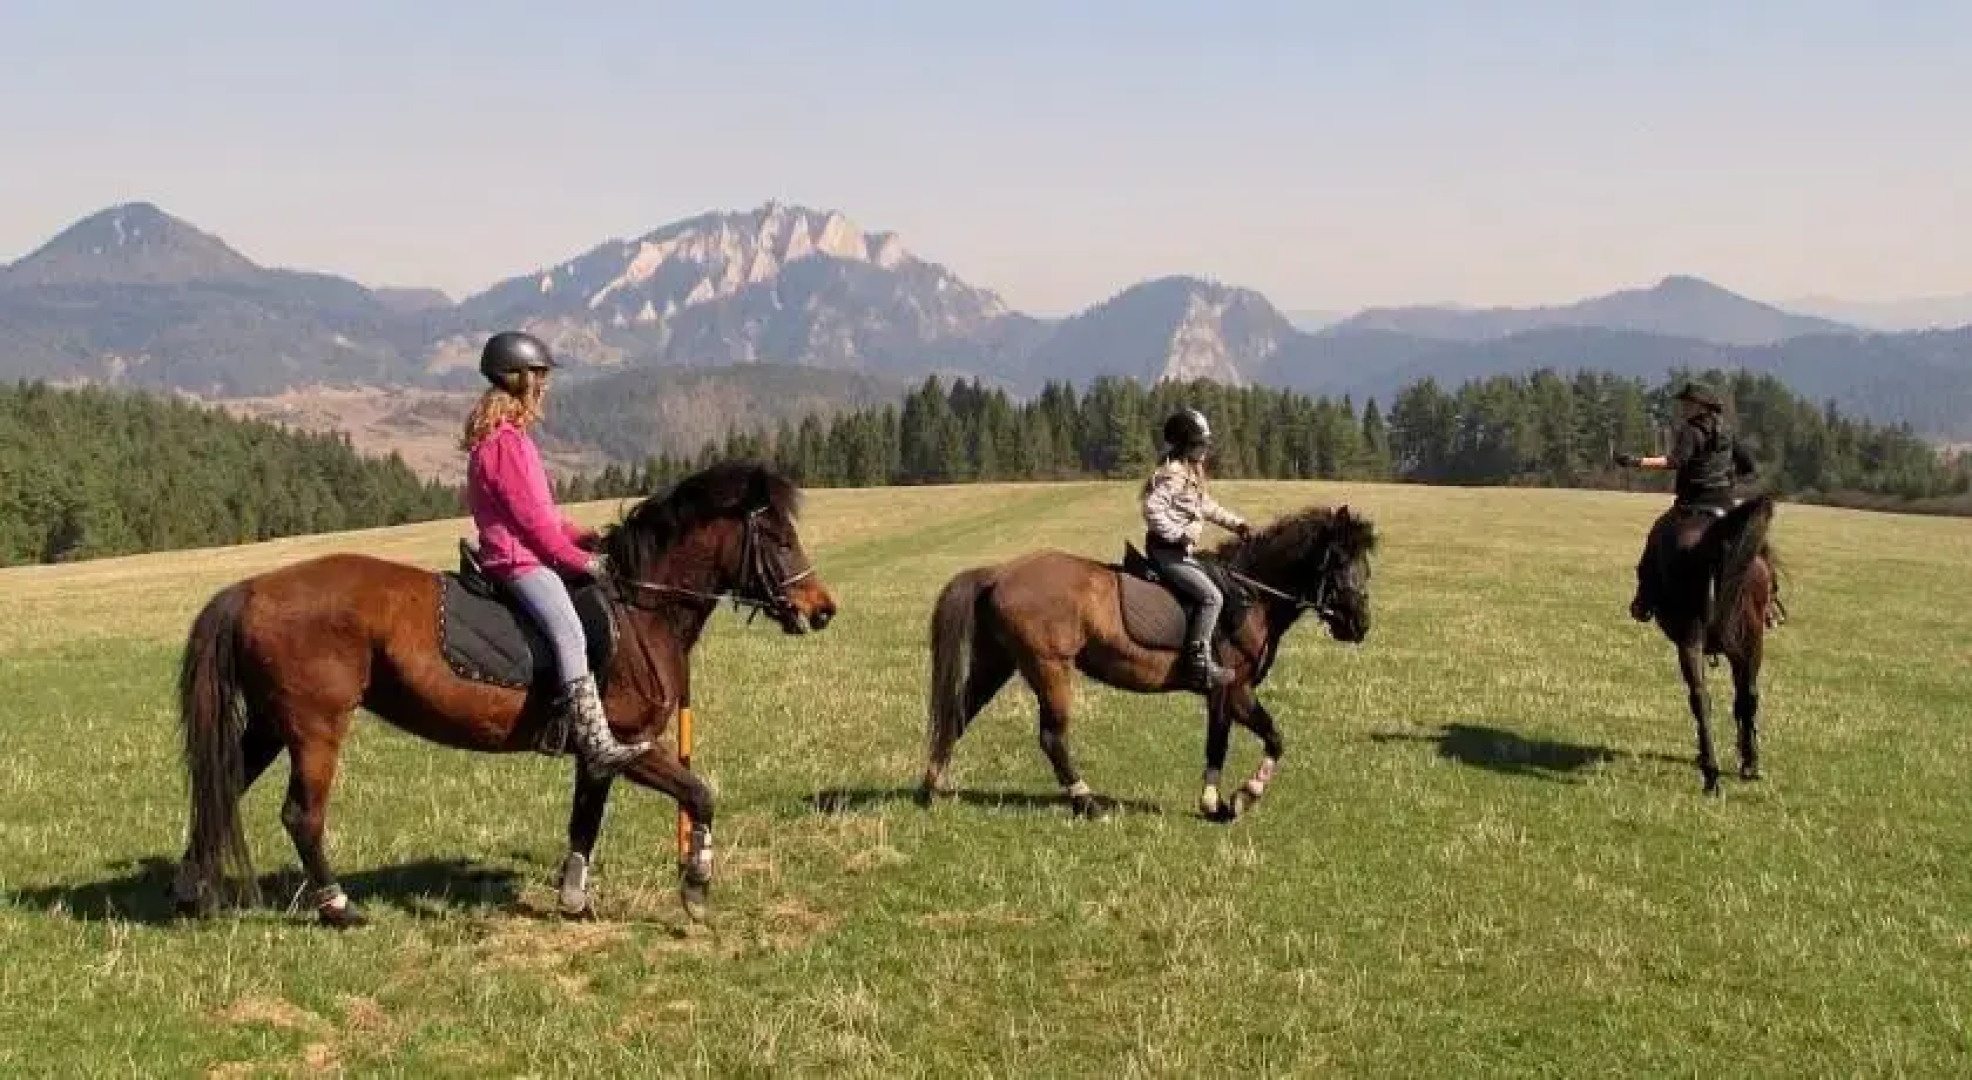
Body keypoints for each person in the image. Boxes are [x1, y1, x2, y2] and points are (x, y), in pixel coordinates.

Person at [461, 330, 651, 773]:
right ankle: (594, 740)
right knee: (568, 627)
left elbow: (548, 517)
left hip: (529, 551)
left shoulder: (512, 440)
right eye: (538, 376)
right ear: (516, 379)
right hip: (518, 562)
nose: (544, 386)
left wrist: (587, 537)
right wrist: (585, 563)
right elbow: (536, 529)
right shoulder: (506, 446)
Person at [1613, 380, 1758, 622]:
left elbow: (1675, 462)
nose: (1684, 407)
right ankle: (1770, 605)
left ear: (1702, 406)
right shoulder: (1728, 431)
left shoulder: (1691, 430)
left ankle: (1644, 601)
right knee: (1755, 548)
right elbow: (1749, 465)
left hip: (1693, 504)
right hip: (1724, 504)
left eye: (1688, 403)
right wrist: (1729, 477)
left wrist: (1637, 462)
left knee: (1656, 536)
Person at [1142, 407, 1253, 690]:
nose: (1205, 448)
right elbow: (1152, 509)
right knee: (1212, 597)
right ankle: (1198, 662)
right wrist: (1177, 535)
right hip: (1168, 553)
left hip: (1179, 552)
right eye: (1200, 443)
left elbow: (1206, 506)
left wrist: (1237, 525)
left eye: (1205, 442)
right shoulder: (1174, 475)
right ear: (1184, 445)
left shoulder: (1192, 473)